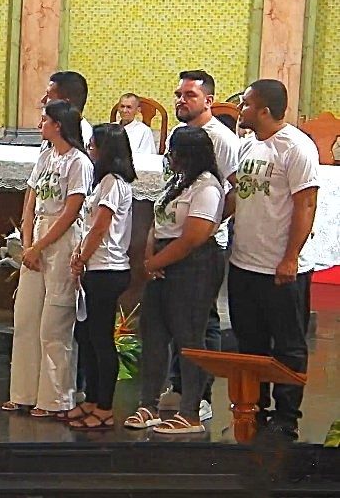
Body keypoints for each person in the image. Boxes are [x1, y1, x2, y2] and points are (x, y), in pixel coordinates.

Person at [229, 79, 319, 440]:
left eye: (246, 104)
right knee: (250, 341)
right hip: (244, 262)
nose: (241, 109)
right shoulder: (248, 145)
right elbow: (241, 194)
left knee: (287, 346)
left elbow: (306, 204)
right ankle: (255, 408)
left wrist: (290, 257)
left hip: (280, 266)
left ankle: (286, 416)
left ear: (264, 111)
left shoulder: (296, 147)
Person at [124, 126, 225, 434]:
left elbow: (193, 237)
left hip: (195, 265)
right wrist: (150, 255)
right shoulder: (177, 182)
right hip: (163, 260)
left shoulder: (207, 187)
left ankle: (191, 412)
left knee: (189, 336)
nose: (170, 157)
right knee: (153, 333)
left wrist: (155, 262)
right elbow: (158, 221)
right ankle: (148, 404)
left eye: (175, 152)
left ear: (191, 155)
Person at [3, 99, 93, 417]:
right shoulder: (45, 155)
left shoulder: (79, 162)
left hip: (62, 242)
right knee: (26, 318)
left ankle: (55, 398)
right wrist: (28, 244)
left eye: (44, 120)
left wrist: (40, 246)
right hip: (36, 241)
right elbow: (30, 201)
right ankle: (23, 392)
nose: (40, 125)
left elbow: (71, 211)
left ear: (58, 125)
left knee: (54, 324)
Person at [159, 70, 240, 422]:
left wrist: (209, 221)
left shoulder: (221, 139)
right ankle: (179, 385)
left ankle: (201, 395)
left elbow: (237, 188)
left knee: (202, 321)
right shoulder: (180, 135)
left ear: (209, 100)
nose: (181, 100)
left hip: (203, 244)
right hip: (174, 240)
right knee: (178, 319)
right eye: (178, 94)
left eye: (189, 95)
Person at [67, 123, 136, 430]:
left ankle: (105, 407)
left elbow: (100, 227)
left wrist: (82, 256)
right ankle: (93, 398)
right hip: (96, 267)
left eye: (93, 145)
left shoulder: (113, 183)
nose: (89, 150)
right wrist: (80, 254)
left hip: (107, 268)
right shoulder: (103, 182)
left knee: (101, 339)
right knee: (89, 336)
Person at [43, 71, 92, 147]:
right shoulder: (53, 132)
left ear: (65, 103)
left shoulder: (86, 139)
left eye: (49, 96)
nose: (43, 100)